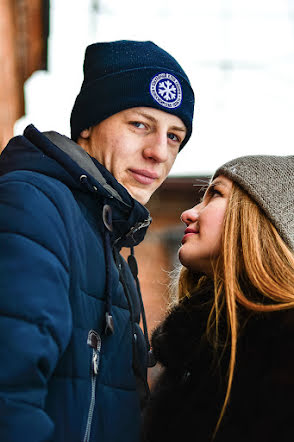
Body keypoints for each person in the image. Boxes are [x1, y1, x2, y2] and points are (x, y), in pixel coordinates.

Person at [0, 40, 194, 442]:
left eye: (175, 136)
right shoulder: (35, 203)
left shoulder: (111, 244)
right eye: (140, 124)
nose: (159, 152)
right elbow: (8, 390)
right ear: (88, 124)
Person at [143, 154, 294, 442]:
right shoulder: (194, 346)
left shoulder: (283, 346)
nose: (188, 213)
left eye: (215, 194)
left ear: (260, 219)